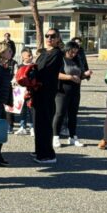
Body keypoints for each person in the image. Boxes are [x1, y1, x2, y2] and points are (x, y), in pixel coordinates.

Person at [32, 28, 64, 164]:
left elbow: (42, 71)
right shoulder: (45, 52)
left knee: (44, 123)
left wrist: (29, 72)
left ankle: (48, 154)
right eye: (47, 36)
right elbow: (35, 67)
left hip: (46, 93)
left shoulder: (56, 53)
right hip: (38, 92)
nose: (49, 38)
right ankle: (40, 151)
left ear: (58, 39)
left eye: (53, 36)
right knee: (38, 123)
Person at [52, 41, 92, 148]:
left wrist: (85, 74)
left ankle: (73, 137)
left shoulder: (77, 60)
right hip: (62, 91)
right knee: (59, 113)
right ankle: (55, 137)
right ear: (67, 49)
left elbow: (80, 75)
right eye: (72, 52)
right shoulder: (60, 59)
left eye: (76, 52)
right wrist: (70, 77)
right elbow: (55, 74)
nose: (74, 54)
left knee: (73, 115)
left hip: (75, 91)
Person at [15, 47, 34, 136]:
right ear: (23, 57)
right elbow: (15, 79)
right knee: (22, 110)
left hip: (32, 92)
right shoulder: (19, 67)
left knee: (31, 110)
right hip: (21, 91)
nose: (31, 57)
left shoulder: (34, 66)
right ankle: (22, 127)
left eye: (31, 55)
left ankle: (32, 127)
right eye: (28, 56)